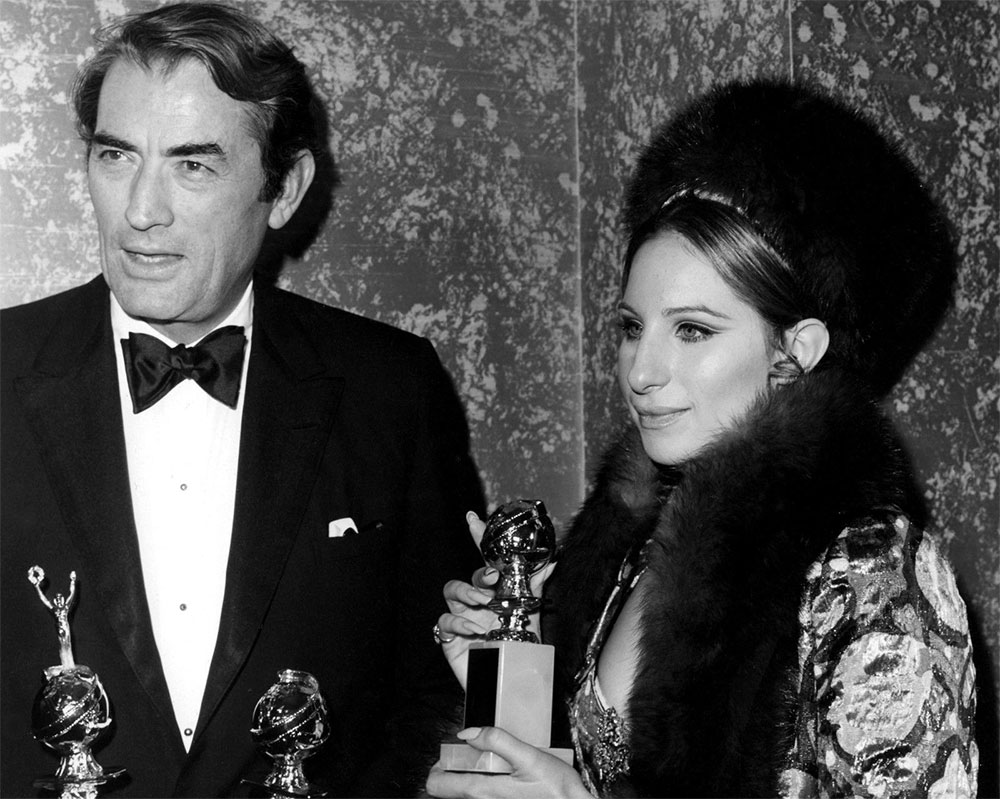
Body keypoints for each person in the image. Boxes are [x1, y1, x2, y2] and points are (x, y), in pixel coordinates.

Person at [427, 78, 978, 798]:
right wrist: (511, 673)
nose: (641, 372)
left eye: (692, 329)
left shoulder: (874, 569)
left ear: (796, 351)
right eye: (632, 327)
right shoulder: (637, 546)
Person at [0, 4, 485, 797]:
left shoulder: (391, 388)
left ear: (283, 189)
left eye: (193, 165)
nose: (141, 209)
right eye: (116, 155)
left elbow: (440, 686)